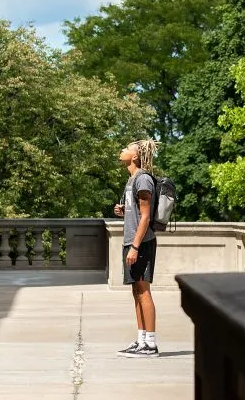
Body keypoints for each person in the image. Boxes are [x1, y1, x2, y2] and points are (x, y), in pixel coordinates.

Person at [113, 139, 159, 358]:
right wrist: (123, 210)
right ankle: (141, 340)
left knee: (143, 290)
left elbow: (146, 216)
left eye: (126, 149)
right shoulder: (131, 180)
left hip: (140, 243)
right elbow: (136, 213)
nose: (122, 150)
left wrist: (135, 246)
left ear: (134, 156)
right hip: (131, 241)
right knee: (136, 291)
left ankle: (151, 344)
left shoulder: (143, 180)